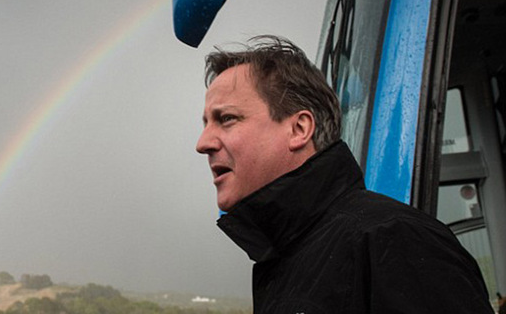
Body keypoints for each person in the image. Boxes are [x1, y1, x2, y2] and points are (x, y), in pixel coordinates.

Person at [195, 35, 493, 313]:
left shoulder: (395, 239)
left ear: (299, 129)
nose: (203, 143)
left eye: (227, 119)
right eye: (206, 123)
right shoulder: (285, 255)